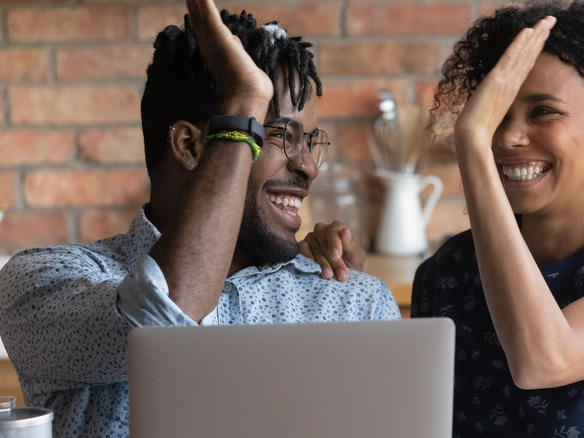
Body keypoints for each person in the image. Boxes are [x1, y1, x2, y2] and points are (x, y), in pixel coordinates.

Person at [302, 0, 584, 436]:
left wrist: (471, 141)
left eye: (543, 111)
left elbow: (544, 361)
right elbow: (404, 417)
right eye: (496, 116)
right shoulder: (449, 272)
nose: (507, 137)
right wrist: (353, 291)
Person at [0, 1, 400, 436]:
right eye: (282, 135)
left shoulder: (354, 302)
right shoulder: (42, 281)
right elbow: (160, 323)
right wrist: (245, 101)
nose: (309, 167)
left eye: (311, 142)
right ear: (191, 147)